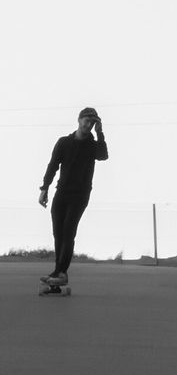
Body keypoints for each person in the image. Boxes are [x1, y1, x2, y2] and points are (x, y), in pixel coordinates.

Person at [38, 107, 109, 292]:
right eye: (86, 120)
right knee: (58, 233)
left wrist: (100, 133)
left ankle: (60, 273)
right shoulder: (63, 142)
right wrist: (44, 188)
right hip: (61, 192)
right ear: (78, 120)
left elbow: (103, 156)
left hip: (80, 195)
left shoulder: (93, 146)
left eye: (92, 123)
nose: (89, 124)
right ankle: (58, 273)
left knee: (69, 231)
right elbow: (53, 165)